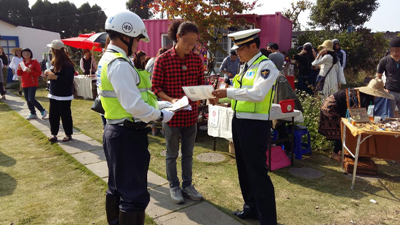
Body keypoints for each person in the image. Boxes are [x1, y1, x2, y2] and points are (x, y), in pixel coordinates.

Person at [99, 11, 174, 225]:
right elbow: (132, 105)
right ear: (127, 35)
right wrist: (160, 115)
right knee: (134, 195)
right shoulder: (120, 64)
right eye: (138, 39)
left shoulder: (109, 59)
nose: (139, 44)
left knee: (117, 187)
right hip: (127, 135)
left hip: (116, 130)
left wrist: (160, 104)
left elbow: (132, 98)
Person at [212, 28, 279, 225]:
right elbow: (242, 95)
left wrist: (228, 93)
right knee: (243, 168)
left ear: (253, 46)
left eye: (240, 48)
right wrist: (224, 100)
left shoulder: (265, 66)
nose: (237, 52)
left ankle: (267, 218)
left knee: (257, 172)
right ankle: (251, 208)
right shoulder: (245, 66)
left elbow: (258, 93)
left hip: (255, 125)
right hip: (239, 121)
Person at [152, 20, 208, 204]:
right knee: (171, 154)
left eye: (194, 43)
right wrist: (170, 100)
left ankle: (188, 185)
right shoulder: (163, 59)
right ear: (177, 37)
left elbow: (201, 84)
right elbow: (156, 87)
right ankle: (174, 186)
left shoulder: (196, 59)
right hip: (172, 116)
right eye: (187, 42)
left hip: (191, 116)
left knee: (189, 153)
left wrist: (208, 94)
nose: (190, 47)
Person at [319, 78, 394, 161]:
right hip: (331, 106)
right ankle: (335, 153)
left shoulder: (368, 97)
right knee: (341, 130)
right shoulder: (366, 96)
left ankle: (343, 151)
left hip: (339, 106)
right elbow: (361, 113)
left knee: (344, 128)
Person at [45, 40, 75, 142]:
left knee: (65, 115)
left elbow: (69, 80)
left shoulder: (67, 64)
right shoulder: (53, 61)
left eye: (51, 49)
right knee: (53, 115)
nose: (50, 51)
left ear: (55, 50)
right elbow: (53, 73)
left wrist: (56, 77)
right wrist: (48, 73)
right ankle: (53, 134)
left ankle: (68, 134)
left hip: (64, 95)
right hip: (53, 93)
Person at [17, 48, 47, 120]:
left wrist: (30, 71)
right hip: (25, 83)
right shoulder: (21, 63)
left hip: (32, 83)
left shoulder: (34, 62)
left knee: (31, 99)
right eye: (24, 53)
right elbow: (19, 74)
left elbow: (39, 73)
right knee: (27, 99)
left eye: (27, 53)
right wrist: (19, 69)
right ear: (22, 54)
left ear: (30, 54)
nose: (26, 54)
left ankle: (42, 110)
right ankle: (33, 113)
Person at [376, 37, 400, 117]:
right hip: (390, 92)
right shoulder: (384, 60)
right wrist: (383, 88)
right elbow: (378, 77)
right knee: (390, 116)